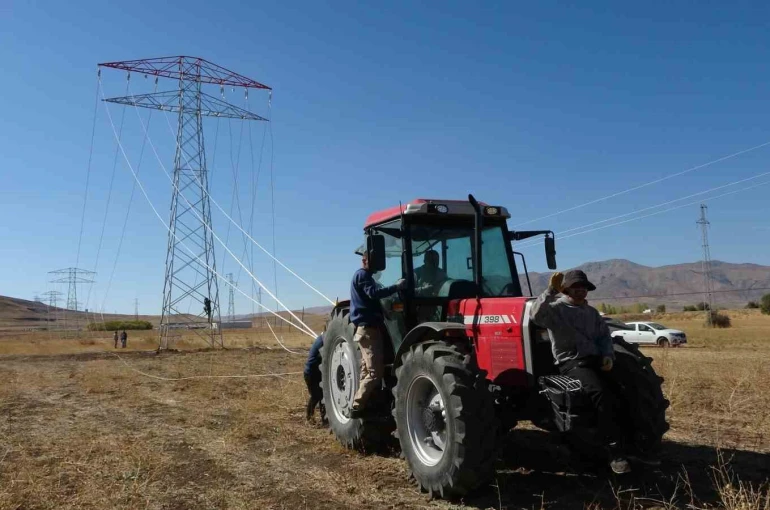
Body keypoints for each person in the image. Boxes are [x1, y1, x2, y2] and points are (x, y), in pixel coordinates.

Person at [530, 269, 632, 474]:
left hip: (596, 360)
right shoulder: (555, 310)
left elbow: (604, 336)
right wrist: (550, 291)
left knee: (626, 387)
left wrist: (607, 355)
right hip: (572, 363)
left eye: (583, 287)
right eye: (576, 287)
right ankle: (613, 451)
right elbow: (535, 316)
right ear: (565, 289)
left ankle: (635, 441)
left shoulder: (592, 313)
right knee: (599, 393)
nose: (580, 291)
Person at [349, 251, 405, 418]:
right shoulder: (362, 275)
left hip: (367, 329)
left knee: (367, 371)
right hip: (368, 330)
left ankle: (365, 406)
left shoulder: (364, 276)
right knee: (375, 374)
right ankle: (356, 407)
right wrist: (397, 287)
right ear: (365, 261)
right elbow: (373, 293)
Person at [304, 333, 326, 423]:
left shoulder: (321, 338)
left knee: (322, 395)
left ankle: (324, 418)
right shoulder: (322, 341)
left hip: (316, 372)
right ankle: (309, 418)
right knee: (316, 396)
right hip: (311, 373)